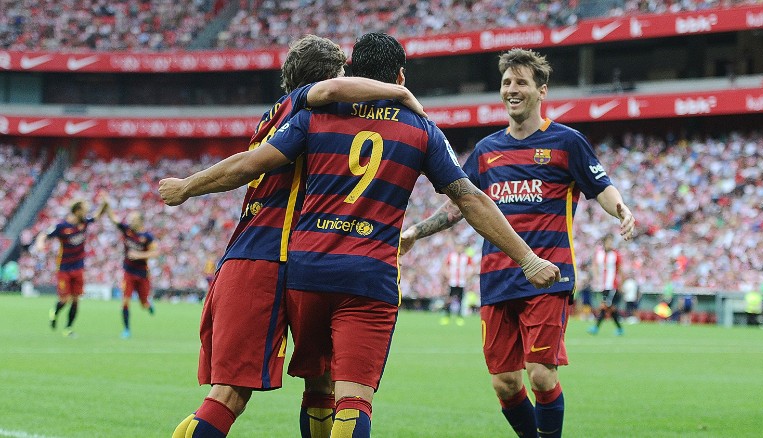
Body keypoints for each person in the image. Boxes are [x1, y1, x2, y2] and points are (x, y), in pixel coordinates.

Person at [160, 33, 559, 438]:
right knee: (351, 400)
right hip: (369, 276)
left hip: (304, 272)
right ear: (399, 75)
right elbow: (470, 199)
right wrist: (528, 258)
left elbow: (248, 165)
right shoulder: (420, 128)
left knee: (318, 384)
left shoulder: (313, 116)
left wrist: (188, 187)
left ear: (353, 72)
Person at [163, 34, 431, 438]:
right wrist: (399, 91)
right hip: (271, 258)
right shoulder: (310, 103)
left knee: (319, 380)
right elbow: (328, 91)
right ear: (330, 75)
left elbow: (248, 163)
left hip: (258, 255)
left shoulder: (277, 113)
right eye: (346, 75)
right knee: (230, 395)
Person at [399, 48, 636, 438]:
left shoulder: (567, 141)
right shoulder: (487, 150)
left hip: (548, 274)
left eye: (521, 82)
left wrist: (622, 209)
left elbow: (600, 185)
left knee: (541, 375)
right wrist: (414, 232)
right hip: (496, 278)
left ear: (541, 91)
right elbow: (460, 205)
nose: (512, 89)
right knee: (505, 384)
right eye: (507, 82)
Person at [35, 199, 107, 337]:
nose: (87, 212)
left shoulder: (84, 222)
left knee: (76, 300)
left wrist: (104, 203)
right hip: (64, 268)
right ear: (77, 210)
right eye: (85, 210)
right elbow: (44, 234)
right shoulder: (61, 226)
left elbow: (97, 216)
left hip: (78, 267)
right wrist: (39, 243)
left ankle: (68, 328)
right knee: (64, 299)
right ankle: (55, 312)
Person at [104, 202, 159, 339]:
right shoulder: (127, 230)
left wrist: (139, 255)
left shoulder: (147, 237)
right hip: (128, 272)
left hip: (142, 273)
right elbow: (113, 219)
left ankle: (148, 304)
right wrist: (107, 205)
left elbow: (156, 252)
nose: (130, 221)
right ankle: (127, 329)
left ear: (140, 222)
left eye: (133, 219)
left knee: (143, 304)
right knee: (125, 300)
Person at [588, 236, 625, 336]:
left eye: (612, 242)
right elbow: (595, 266)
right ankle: (620, 329)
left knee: (605, 306)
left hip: (612, 285)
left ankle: (596, 328)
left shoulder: (615, 254)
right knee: (610, 307)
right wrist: (596, 277)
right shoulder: (599, 254)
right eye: (609, 242)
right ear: (604, 243)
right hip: (602, 285)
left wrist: (621, 284)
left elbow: (620, 269)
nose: (610, 244)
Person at [441, 241, 473, 326]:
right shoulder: (451, 256)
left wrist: (468, 276)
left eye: (461, 247)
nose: (459, 249)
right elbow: (444, 265)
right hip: (452, 281)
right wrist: (447, 274)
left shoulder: (466, 257)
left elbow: (472, 267)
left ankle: (459, 317)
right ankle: (447, 316)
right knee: (449, 299)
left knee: (461, 299)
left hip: (462, 281)